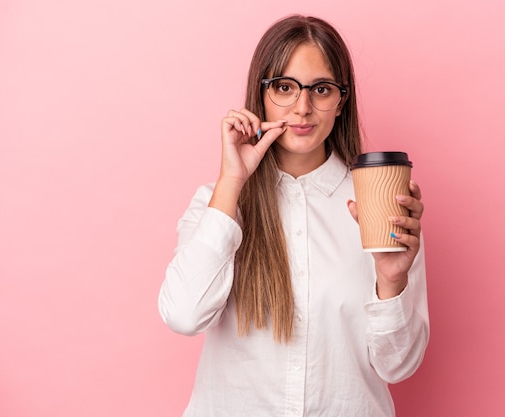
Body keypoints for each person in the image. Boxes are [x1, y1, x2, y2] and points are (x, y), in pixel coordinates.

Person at [158, 14, 429, 417]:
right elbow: (183, 315)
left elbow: (398, 366)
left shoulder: (381, 205)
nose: (302, 108)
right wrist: (232, 181)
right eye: (284, 87)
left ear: (341, 100)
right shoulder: (218, 202)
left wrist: (392, 281)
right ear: (261, 93)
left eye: (320, 89)